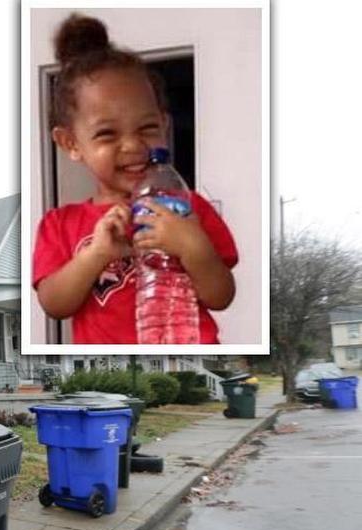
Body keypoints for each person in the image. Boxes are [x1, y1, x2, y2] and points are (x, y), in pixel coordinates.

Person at [32, 13, 238, 344]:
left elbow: (221, 296)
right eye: (107, 133)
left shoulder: (189, 207)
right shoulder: (59, 224)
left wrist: (192, 246)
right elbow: (54, 304)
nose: (132, 145)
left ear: (164, 126)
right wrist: (96, 254)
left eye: (147, 128)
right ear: (71, 143)